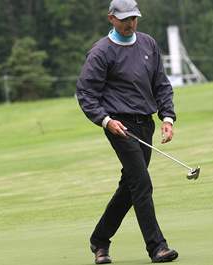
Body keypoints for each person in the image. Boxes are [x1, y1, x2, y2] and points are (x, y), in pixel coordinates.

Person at [76, 0, 178, 263]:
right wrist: (105, 120)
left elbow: (161, 84)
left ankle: (99, 240)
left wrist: (167, 116)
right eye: (125, 19)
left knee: (131, 185)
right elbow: (86, 94)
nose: (130, 23)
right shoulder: (101, 52)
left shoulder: (147, 44)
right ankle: (157, 247)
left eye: (134, 18)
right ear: (111, 19)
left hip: (145, 124)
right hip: (119, 126)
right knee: (142, 183)